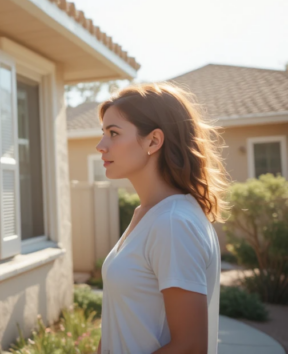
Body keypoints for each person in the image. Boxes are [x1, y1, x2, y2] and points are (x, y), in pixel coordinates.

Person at [95, 84, 229, 354]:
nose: (101, 146)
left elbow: (190, 347)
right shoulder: (148, 214)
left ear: (153, 141)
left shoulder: (172, 223)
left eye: (113, 133)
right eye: (103, 133)